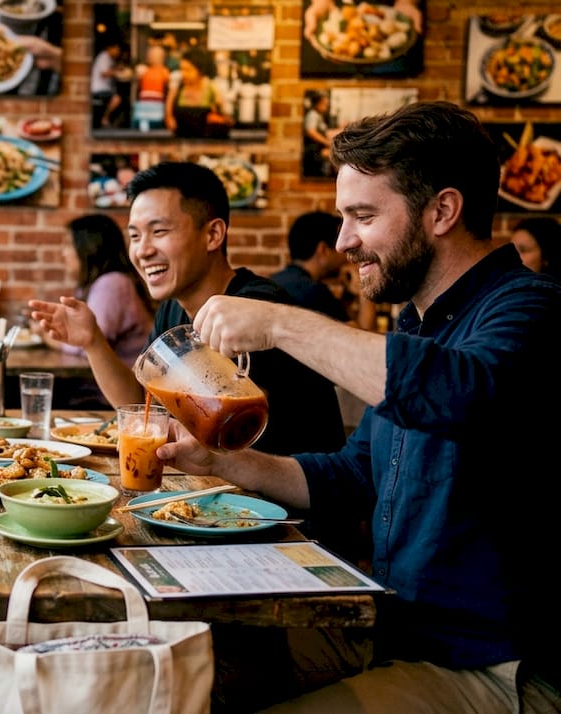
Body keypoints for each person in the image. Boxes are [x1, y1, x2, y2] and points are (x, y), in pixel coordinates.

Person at [168, 101, 561, 712]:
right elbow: (353, 476)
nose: (344, 241)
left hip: (496, 666)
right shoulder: (417, 325)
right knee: (190, 663)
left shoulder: (535, 306)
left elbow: (460, 390)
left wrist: (278, 323)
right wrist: (221, 463)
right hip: (394, 630)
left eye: (363, 216)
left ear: (443, 211)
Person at [30, 162, 346, 458]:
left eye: (159, 231)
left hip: (289, 507)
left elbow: (225, 434)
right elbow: (142, 407)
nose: (142, 250)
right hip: (230, 493)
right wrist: (93, 341)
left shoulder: (255, 310)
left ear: (212, 235)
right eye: (135, 236)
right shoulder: (173, 309)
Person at [47, 213, 154, 409]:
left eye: (69, 245)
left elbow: (83, 344)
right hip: (110, 392)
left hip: (118, 399)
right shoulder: (96, 284)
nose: (63, 253)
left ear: (88, 247)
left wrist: (47, 338)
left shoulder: (112, 284)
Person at [269, 210, 351, 322]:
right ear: (323, 250)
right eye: (341, 247)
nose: (347, 256)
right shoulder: (315, 292)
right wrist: (364, 293)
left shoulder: (272, 281)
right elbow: (361, 337)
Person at [164, 47, 231, 139]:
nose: (184, 74)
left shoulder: (211, 87)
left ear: (200, 70)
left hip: (206, 144)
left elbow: (224, 115)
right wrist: (169, 119)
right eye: (182, 69)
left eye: (188, 70)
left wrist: (218, 114)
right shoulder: (178, 87)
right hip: (181, 142)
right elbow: (169, 114)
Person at [302, 90, 338, 178]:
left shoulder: (319, 115)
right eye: (324, 104)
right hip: (313, 150)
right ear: (317, 103)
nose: (326, 107)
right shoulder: (312, 115)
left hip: (318, 148)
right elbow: (311, 131)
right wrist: (327, 142)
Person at [91, 40, 124, 127]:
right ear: (110, 48)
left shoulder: (110, 59)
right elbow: (104, 73)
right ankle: (105, 119)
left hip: (106, 89)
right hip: (99, 89)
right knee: (117, 99)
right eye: (117, 49)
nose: (118, 52)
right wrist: (117, 72)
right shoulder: (104, 57)